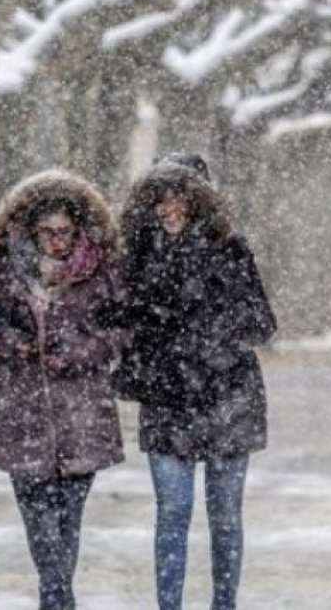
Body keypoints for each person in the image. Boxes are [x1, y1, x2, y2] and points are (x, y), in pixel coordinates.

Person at [114, 160, 276, 610]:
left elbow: (262, 323)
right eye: (158, 199)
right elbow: (121, 323)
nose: (167, 208)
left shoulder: (230, 249)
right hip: (168, 400)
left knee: (224, 518)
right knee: (172, 514)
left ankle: (225, 604)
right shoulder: (137, 256)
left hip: (228, 397)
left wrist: (207, 334)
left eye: (176, 197)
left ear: (197, 199)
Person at [0, 170, 124, 610]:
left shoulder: (101, 273)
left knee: (67, 520)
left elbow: (124, 328)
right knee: (38, 521)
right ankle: (58, 597)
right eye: (47, 232)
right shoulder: (4, 272)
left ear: (79, 230)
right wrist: (11, 343)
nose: (57, 240)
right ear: (31, 232)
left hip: (81, 416)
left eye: (65, 231)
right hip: (22, 414)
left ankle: (55, 598)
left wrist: (84, 350)